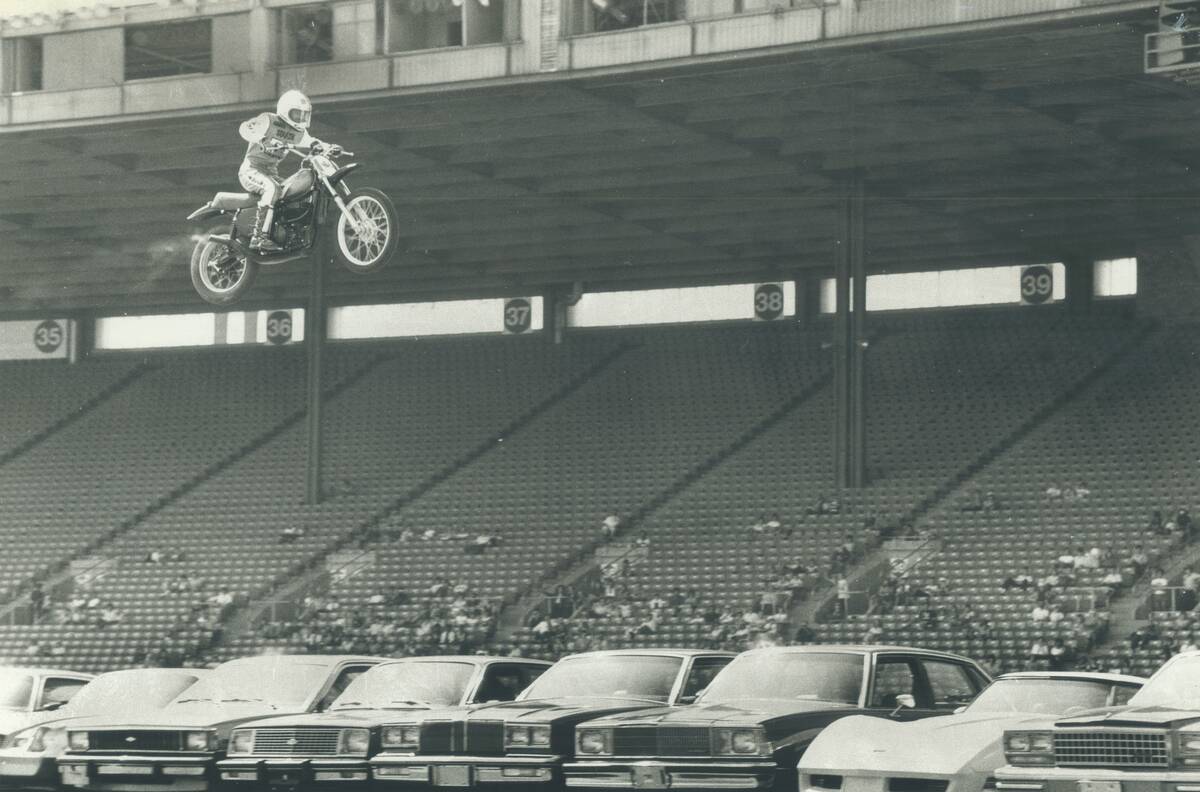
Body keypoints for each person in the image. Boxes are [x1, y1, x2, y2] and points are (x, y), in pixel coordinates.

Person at [237, 90, 335, 252]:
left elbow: (311, 141)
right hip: (251, 170)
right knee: (272, 188)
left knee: (290, 195)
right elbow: (245, 129)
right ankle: (258, 237)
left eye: (305, 115)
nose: (301, 119)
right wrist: (258, 136)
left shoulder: (298, 133)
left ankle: (283, 233)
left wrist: (328, 147)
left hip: (271, 174)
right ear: (285, 110)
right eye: (297, 114)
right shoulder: (268, 120)